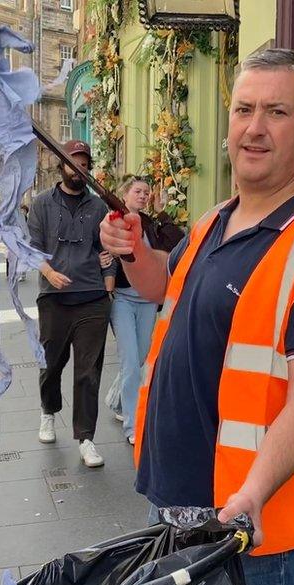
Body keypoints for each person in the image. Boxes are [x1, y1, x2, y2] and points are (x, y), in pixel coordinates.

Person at [100, 49, 294, 585]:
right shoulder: (213, 222)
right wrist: (132, 250)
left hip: (253, 525)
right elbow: (159, 287)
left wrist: (251, 495)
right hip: (175, 500)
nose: (254, 127)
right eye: (244, 109)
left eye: (276, 111)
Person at [28, 140, 116, 468]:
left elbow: (107, 248)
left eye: (83, 163)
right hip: (54, 299)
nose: (78, 168)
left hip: (92, 298)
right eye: (72, 162)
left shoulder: (98, 208)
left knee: (89, 371)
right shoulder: (41, 204)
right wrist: (49, 272)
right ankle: (48, 412)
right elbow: (32, 248)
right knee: (51, 364)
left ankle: (86, 437)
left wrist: (108, 281)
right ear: (60, 164)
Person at [106, 176, 184, 445]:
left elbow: (176, 243)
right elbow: (103, 249)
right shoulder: (114, 221)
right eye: (138, 191)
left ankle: (117, 400)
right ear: (125, 194)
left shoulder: (149, 224)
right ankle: (133, 425)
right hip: (124, 300)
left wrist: (162, 211)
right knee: (130, 363)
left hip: (149, 300)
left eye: (146, 192)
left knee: (140, 361)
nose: (143, 195)